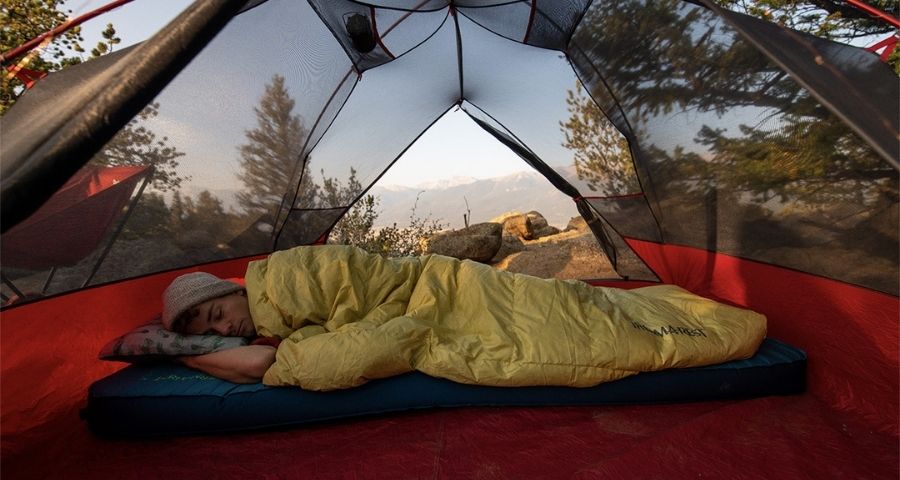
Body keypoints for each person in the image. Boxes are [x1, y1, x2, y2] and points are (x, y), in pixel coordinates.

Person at [161, 245, 767, 390]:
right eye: (208, 334)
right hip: (435, 300)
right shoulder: (283, 317)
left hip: (449, 295)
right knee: (594, 314)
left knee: (592, 324)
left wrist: (280, 366)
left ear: (229, 286)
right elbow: (357, 329)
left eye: (216, 313)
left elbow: (392, 316)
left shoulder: (290, 276)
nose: (224, 329)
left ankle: (680, 317)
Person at [162, 272, 275, 384]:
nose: (224, 330)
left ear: (235, 291)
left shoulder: (274, 285)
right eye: (211, 333)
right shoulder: (259, 336)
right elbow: (258, 362)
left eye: (218, 314)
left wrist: (191, 361)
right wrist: (190, 359)